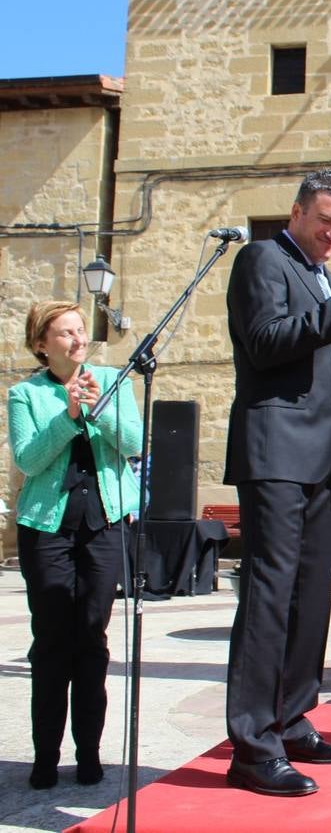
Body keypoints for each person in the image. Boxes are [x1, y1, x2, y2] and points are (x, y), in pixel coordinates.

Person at [223, 169, 331, 796]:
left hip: (325, 456)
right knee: (269, 595)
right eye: (325, 221)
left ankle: (292, 719)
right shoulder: (261, 259)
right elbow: (268, 342)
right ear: (296, 213)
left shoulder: (328, 279)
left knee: (312, 596)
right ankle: (251, 744)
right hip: (275, 451)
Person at [7, 301, 142, 789]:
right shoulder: (25, 394)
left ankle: (89, 752)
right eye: (65, 333)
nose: (78, 339)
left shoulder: (112, 379)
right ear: (42, 344)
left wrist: (96, 411)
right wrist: (67, 415)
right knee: (51, 643)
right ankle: (45, 757)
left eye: (81, 330)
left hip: (102, 525)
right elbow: (29, 459)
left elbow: (131, 441)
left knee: (92, 637)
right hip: (47, 529)